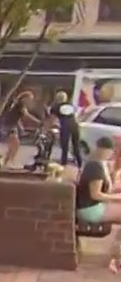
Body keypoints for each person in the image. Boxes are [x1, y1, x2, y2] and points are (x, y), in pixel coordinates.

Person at [73, 137, 121, 269]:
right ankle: (117, 257)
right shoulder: (95, 167)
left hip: (94, 205)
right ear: (102, 150)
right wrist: (118, 198)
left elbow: (108, 190)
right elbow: (96, 194)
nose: (112, 154)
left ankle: (117, 254)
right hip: (89, 209)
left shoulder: (99, 164)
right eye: (110, 151)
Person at [0, 90, 40, 168]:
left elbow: (17, 117)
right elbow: (26, 115)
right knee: (15, 143)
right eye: (29, 99)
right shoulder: (20, 104)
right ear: (24, 98)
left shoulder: (19, 105)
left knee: (14, 145)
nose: (30, 101)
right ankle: (8, 161)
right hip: (8, 125)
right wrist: (38, 122)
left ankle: (7, 161)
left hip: (12, 125)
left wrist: (21, 128)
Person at [50, 90, 83, 168]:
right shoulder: (70, 105)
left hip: (65, 126)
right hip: (75, 126)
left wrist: (49, 127)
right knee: (76, 146)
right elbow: (75, 116)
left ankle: (63, 165)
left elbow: (52, 119)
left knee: (64, 147)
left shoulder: (55, 107)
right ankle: (80, 164)